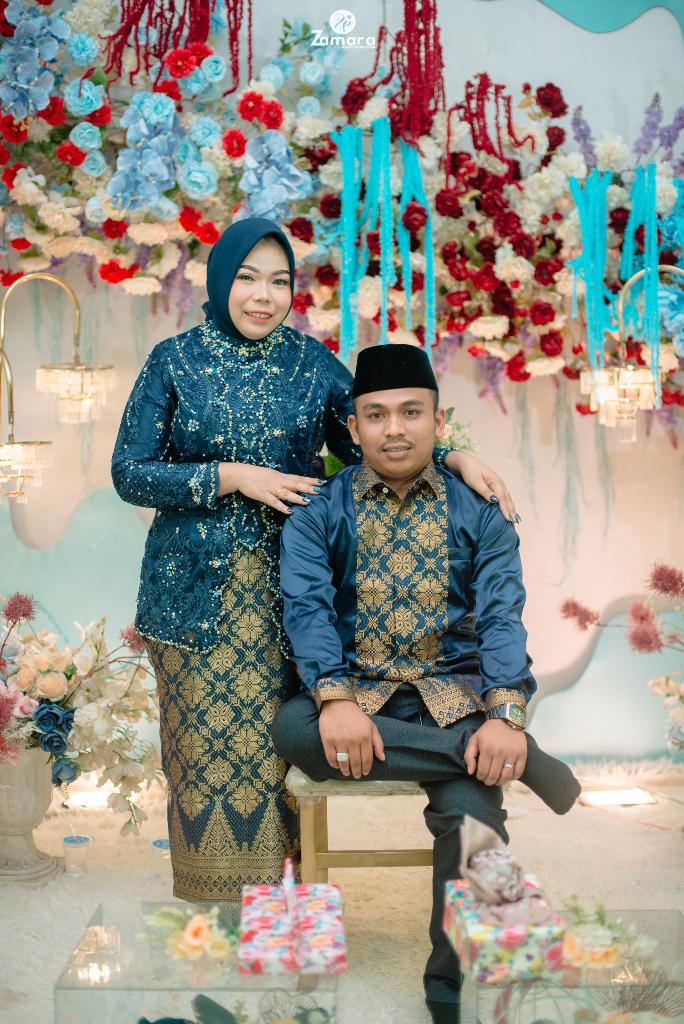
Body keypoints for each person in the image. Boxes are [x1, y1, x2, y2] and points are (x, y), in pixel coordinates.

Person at [111, 216, 522, 904]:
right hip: (194, 598)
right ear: (220, 280)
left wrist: (455, 457)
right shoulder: (173, 361)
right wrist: (230, 476)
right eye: (247, 278)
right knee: (210, 757)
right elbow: (130, 472)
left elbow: (378, 435)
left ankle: (284, 912)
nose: (263, 296)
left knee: (283, 749)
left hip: (294, 593)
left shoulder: (310, 363)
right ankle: (218, 910)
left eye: (279, 282)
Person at [273, 344, 581, 1024]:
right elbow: (308, 609)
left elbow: (501, 616)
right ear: (353, 428)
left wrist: (504, 714)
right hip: (359, 695)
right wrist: (333, 697)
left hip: (452, 695)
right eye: (376, 415)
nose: (394, 429)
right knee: (294, 728)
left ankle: (448, 989)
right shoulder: (319, 510)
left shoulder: (481, 509)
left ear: (440, 423)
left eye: (411, 412)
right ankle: (521, 761)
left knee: (475, 819)